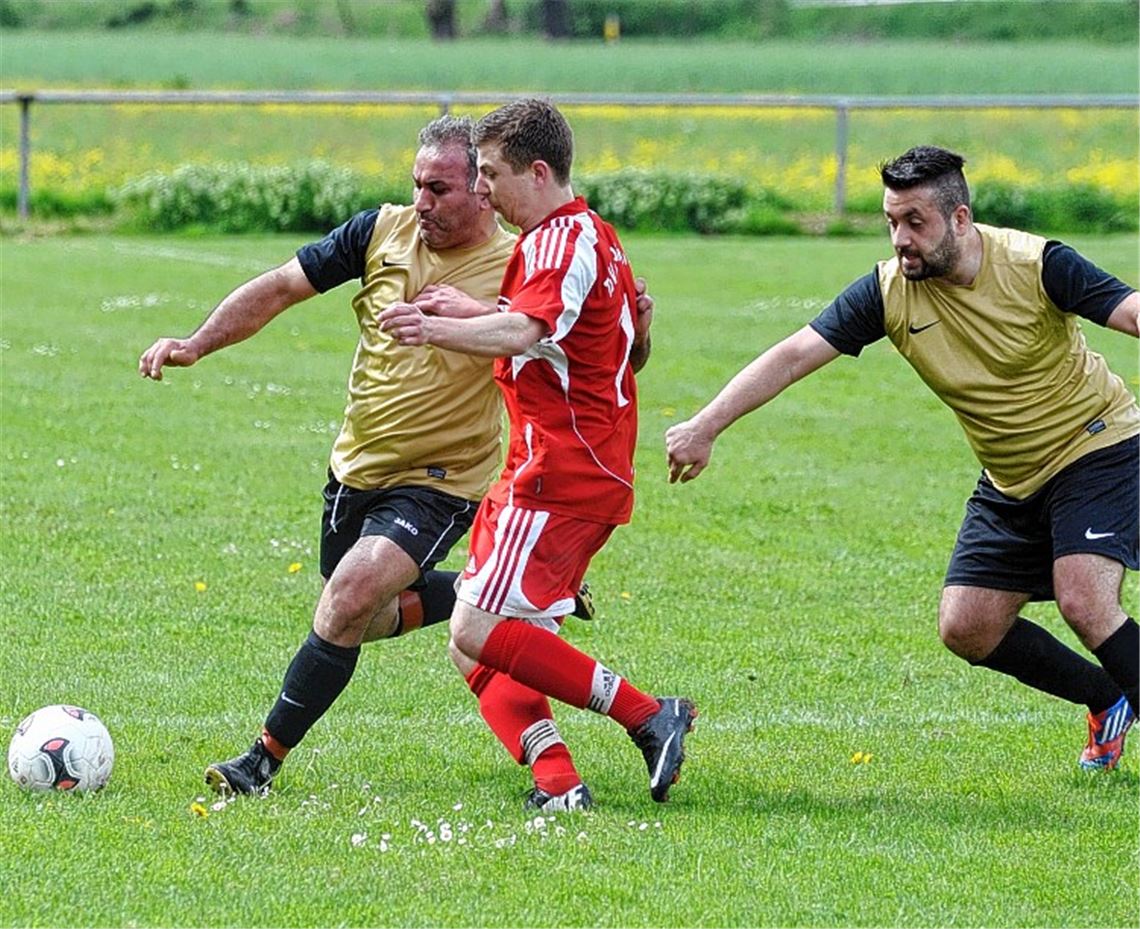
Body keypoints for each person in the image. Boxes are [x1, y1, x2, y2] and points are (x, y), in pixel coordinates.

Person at [138, 114, 653, 799]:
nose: (423, 201)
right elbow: (281, 286)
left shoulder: (528, 257)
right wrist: (198, 341)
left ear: (483, 187)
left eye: (439, 188)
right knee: (357, 613)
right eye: (417, 184)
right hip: (356, 467)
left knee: (349, 598)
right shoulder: (381, 230)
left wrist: (639, 328)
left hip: (443, 480)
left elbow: (599, 353)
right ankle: (473, 591)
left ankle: (260, 759)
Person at [665, 145, 1138, 771]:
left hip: (1095, 444)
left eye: (915, 222)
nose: (900, 239)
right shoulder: (888, 292)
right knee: (967, 627)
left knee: (1083, 598)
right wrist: (706, 425)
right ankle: (1108, 700)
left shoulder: (1035, 262)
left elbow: (1129, 310)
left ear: (960, 219)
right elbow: (795, 353)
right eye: (892, 222)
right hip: (1011, 474)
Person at [380, 98, 697, 809]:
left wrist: (433, 329)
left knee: (475, 625)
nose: (482, 186)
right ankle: (557, 783)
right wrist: (466, 312)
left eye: (490, 172)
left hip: (559, 474)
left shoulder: (557, 242)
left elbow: (524, 334)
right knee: (475, 641)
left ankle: (649, 715)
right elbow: (602, 351)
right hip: (554, 469)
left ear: (539, 170)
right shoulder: (594, 237)